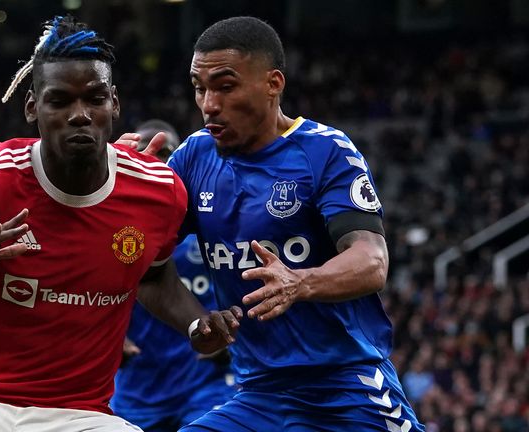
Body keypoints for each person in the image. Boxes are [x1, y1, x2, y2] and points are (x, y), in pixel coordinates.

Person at [0, 16, 241, 432]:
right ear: (32, 106)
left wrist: (197, 323)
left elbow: (154, 277)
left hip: (78, 415)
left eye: (93, 99)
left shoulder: (159, 190)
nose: (79, 115)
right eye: (59, 101)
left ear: (114, 103)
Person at [141, 16, 425, 431]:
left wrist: (300, 282)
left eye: (225, 86)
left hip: (349, 388)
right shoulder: (192, 158)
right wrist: (194, 320)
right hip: (258, 396)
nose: (208, 104)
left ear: (273, 83)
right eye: (199, 87)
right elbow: (147, 269)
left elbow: (371, 260)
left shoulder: (325, 151)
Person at [111, 120, 236, 432]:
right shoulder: (113, 233)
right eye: (146, 153)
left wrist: (233, 338)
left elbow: (246, 290)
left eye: (168, 154)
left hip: (202, 383)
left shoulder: (211, 228)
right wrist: (111, 338)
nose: (160, 162)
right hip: (137, 385)